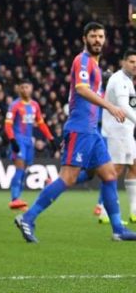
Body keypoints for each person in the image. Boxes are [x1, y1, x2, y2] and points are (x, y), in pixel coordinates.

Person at [15, 22, 136, 242]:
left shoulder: (95, 66)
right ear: (84, 38)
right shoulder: (82, 60)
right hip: (80, 129)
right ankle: (28, 218)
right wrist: (109, 106)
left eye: (101, 36)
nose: (97, 40)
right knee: (68, 178)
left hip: (92, 131)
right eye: (93, 36)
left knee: (109, 175)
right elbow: (81, 89)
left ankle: (118, 229)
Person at [95, 49, 136, 224]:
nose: (135, 65)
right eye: (132, 61)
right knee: (115, 171)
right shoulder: (119, 80)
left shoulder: (128, 81)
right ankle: (104, 210)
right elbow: (123, 107)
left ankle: (134, 210)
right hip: (116, 132)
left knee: (134, 167)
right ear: (123, 62)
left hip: (126, 131)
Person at [4, 80, 55, 210]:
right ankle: (14, 198)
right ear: (19, 89)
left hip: (29, 141)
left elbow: (41, 123)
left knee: (24, 170)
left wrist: (51, 138)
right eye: (22, 87)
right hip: (18, 140)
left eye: (27, 87)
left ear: (31, 88)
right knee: (19, 168)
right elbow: (8, 124)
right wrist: (12, 140)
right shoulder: (14, 105)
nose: (25, 90)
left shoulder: (35, 105)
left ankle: (18, 200)